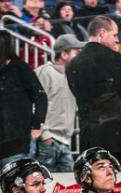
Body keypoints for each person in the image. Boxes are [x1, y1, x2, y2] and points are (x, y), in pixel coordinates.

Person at [67, 16, 121, 167]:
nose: (117, 40)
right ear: (102, 33)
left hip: (88, 138)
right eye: (115, 35)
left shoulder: (73, 64)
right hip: (116, 136)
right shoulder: (113, 58)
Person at [0, 30, 48, 168]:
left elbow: (40, 96)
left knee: (16, 185)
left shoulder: (20, 69)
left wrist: (36, 125)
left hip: (17, 143)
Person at [34, 35, 83, 172]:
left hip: (65, 142)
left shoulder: (73, 76)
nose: (80, 56)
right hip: (47, 141)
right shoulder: (45, 72)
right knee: (44, 185)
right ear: (64, 54)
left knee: (68, 188)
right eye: (77, 52)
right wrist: (45, 135)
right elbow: (33, 105)